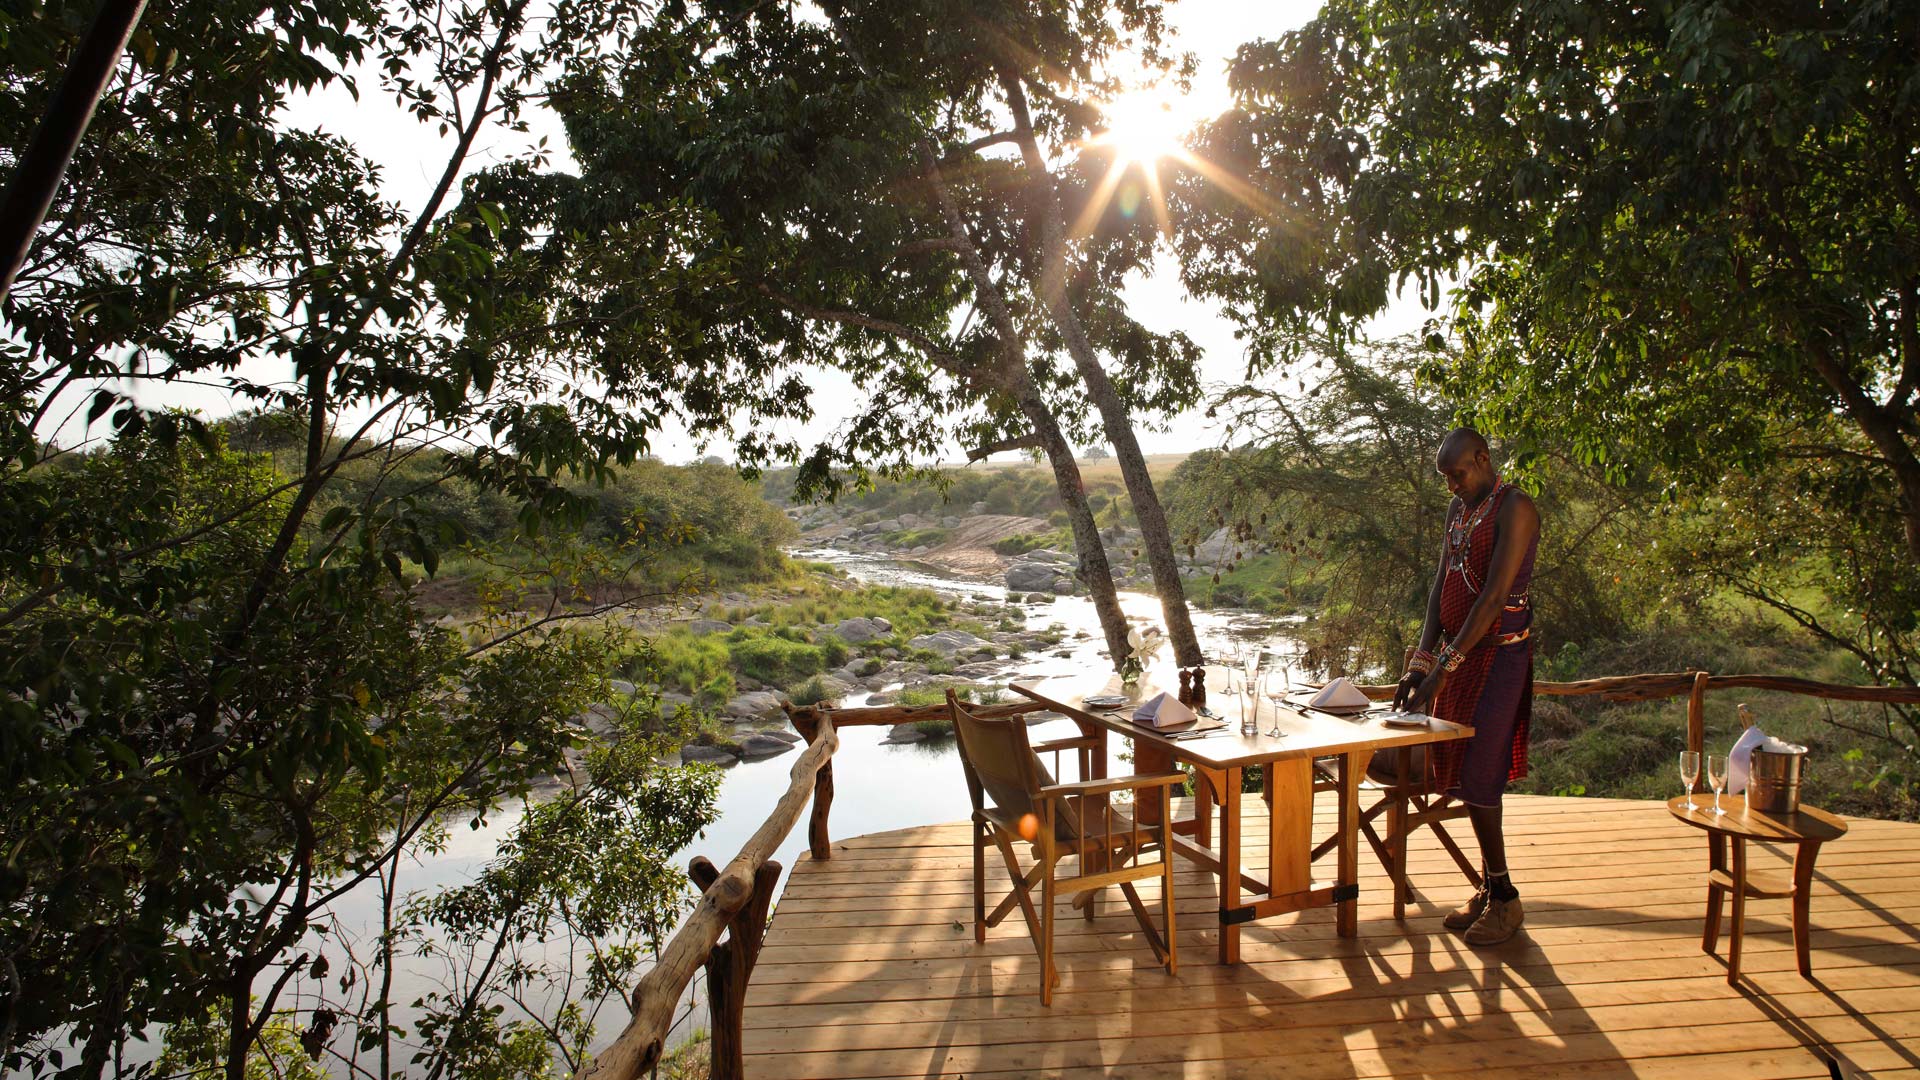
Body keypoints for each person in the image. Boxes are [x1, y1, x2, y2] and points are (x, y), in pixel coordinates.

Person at [1393, 427, 1540, 946]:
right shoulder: (1460, 513)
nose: (1450, 486)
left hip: (1499, 658)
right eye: (1445, 479)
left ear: (1482, 459)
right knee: (1460, 773)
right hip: (1459, 660)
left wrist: (1441, 671)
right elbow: (1442, 588)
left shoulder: (1515, 508)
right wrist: (1420, 661)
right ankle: (1489, 887)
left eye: (1456, 474)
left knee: (1480, 776)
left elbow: (1494, 597)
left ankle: (1504, 897)